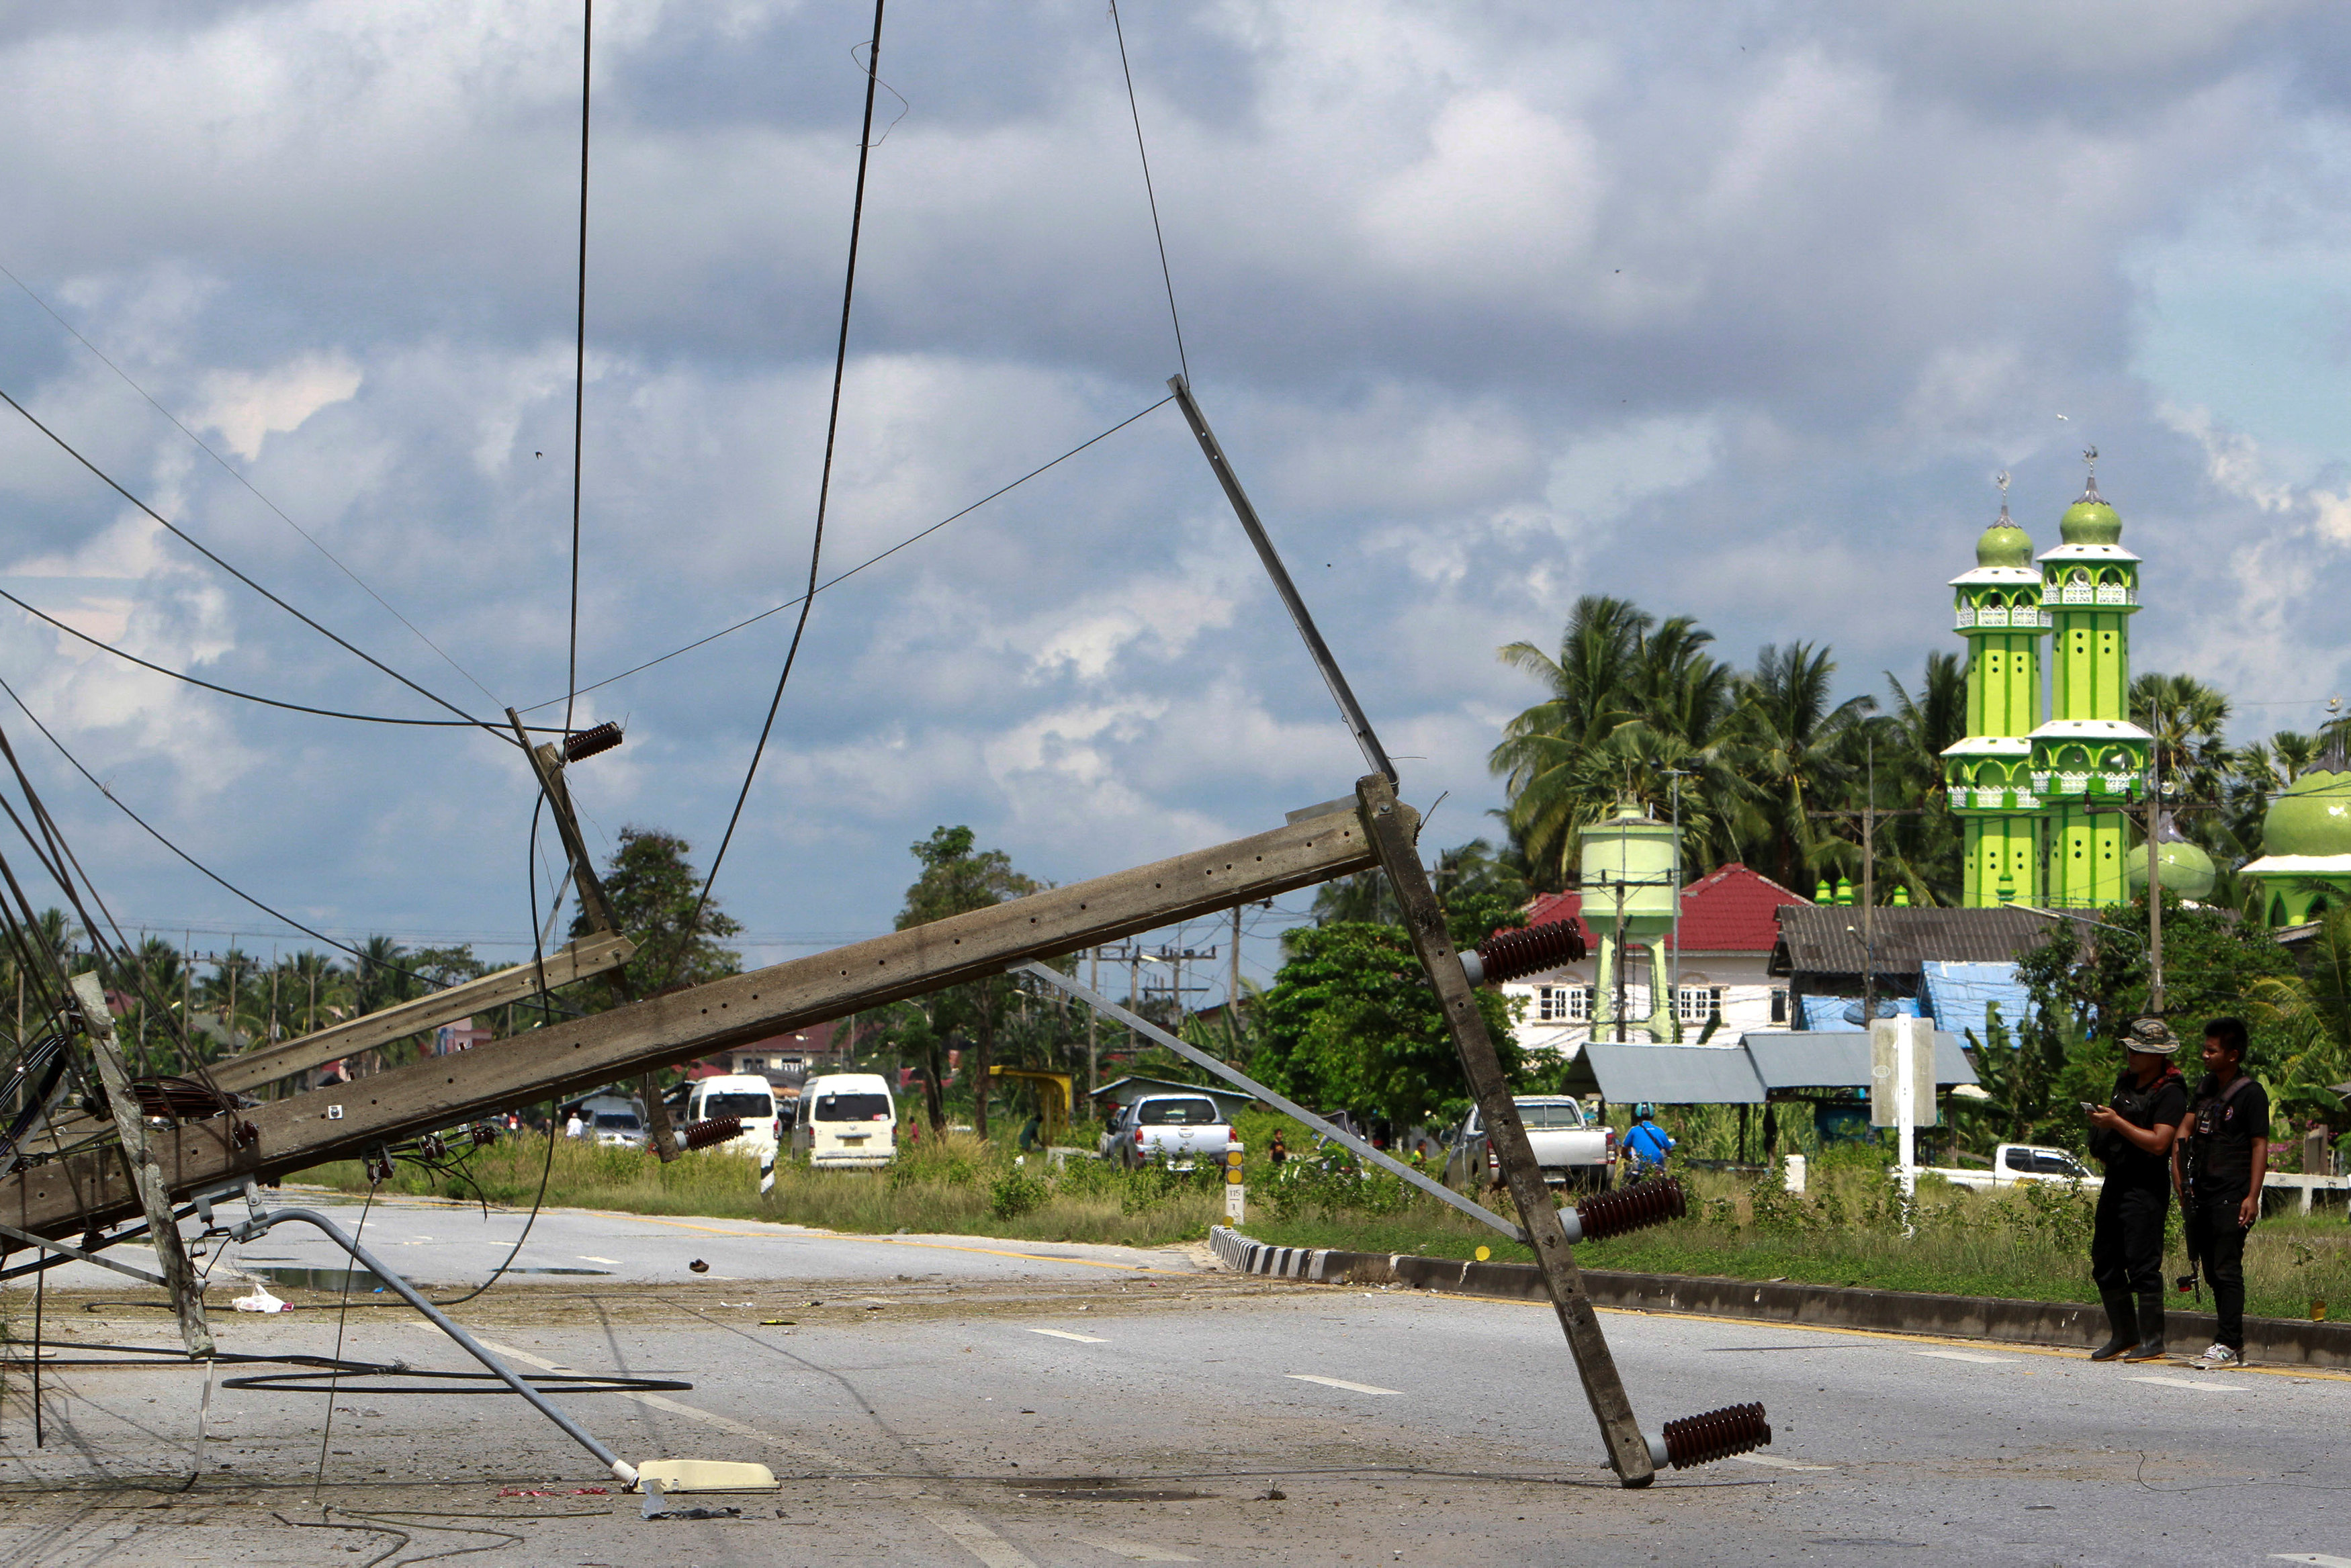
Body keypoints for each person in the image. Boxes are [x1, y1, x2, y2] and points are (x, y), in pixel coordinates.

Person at [2086, 1017, 2190, 1363]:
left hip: (2146, 1186)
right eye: (2130, 1048)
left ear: (2158, 1056)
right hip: (2117, 1179)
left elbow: (2160, 1143)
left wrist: (2116, 1122)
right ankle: (2124, 1334)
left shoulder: (2171, 1092)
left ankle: (2153, 1340)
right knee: (2104, 1259)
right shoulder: (2126, 1081)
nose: (2131, 1054)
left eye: (2140, 1050)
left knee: (2143, 1264)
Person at [2174, 1017, 2270, 1371]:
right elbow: (2184, 1132)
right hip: (2203, 1193)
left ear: (2233, 1054)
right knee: (2212, 1270)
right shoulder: (2204, 1088)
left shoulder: (2251, 1094)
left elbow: (2260, 1146)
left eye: (2211, 1050)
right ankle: (2229, 1341)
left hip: (2234, 1194)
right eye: (2205, 1048)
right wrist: (2180, 1177)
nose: (2204, 1055)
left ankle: (2229, 1343)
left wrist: (2253, 1195)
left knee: (2227, 1269)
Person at [1623, 1105, 1675, 1177]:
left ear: (1637, 1115)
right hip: (1658, 1169)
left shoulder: (1634, 1131)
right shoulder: (1660, 1131)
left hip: (1639, 1170)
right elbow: (1669, 1151)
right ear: (1652, 1115)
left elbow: (1624, 1149)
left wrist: (1626, 1156)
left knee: (1627, 1180)